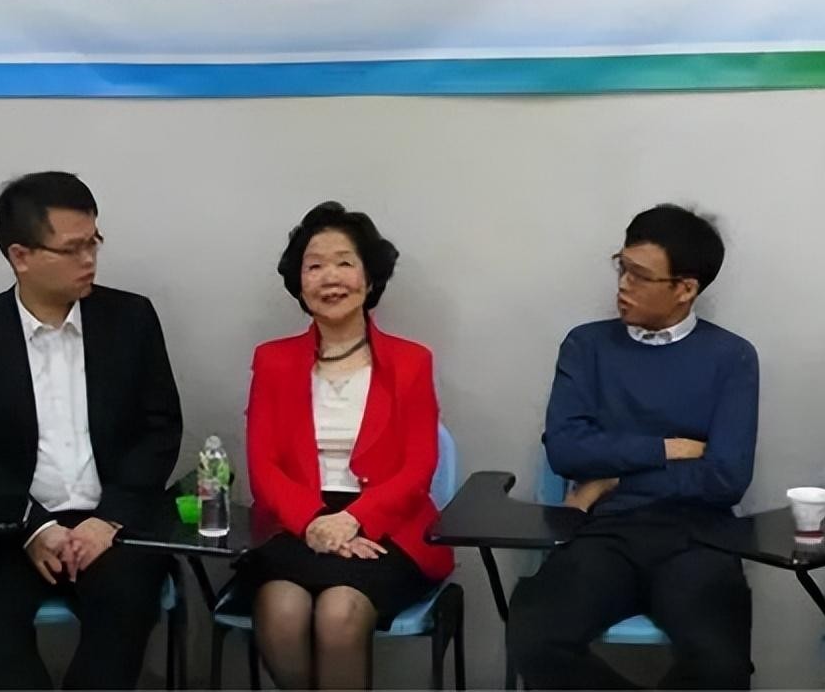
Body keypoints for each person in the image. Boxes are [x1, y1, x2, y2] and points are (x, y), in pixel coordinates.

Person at [0, 171, 182, 690]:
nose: (89, 259)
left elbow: (160, 428)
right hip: (10, 526)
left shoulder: (131, 319)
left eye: (94, 242)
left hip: (111, 523)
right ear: (20, 256)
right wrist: (33, 526)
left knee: (125, 610)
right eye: (72, 249)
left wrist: (108, 518)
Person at [507, 203, 759, 690]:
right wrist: (666, 448)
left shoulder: (731, 358)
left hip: (697, 537)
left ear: (685, 289)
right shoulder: (586, 346)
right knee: (535, 637)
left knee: (720, 663)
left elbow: (726, 479)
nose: (623, 284)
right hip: (604, 534)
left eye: (640, 276)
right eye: (621, 268)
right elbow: (566, 451)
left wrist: (608, 479)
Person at [236, 201, 454, 690]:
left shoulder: (411, 361)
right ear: (299, 284)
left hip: (387, 528)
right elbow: (263, 467)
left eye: (344, 263)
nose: (330, 278)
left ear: (369, 278)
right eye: (314, 266)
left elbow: (420, 466)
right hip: (296, 525)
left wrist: (353, 520)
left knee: (339, 611)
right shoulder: (272, 361)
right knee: (282, 610)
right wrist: (315, 523)